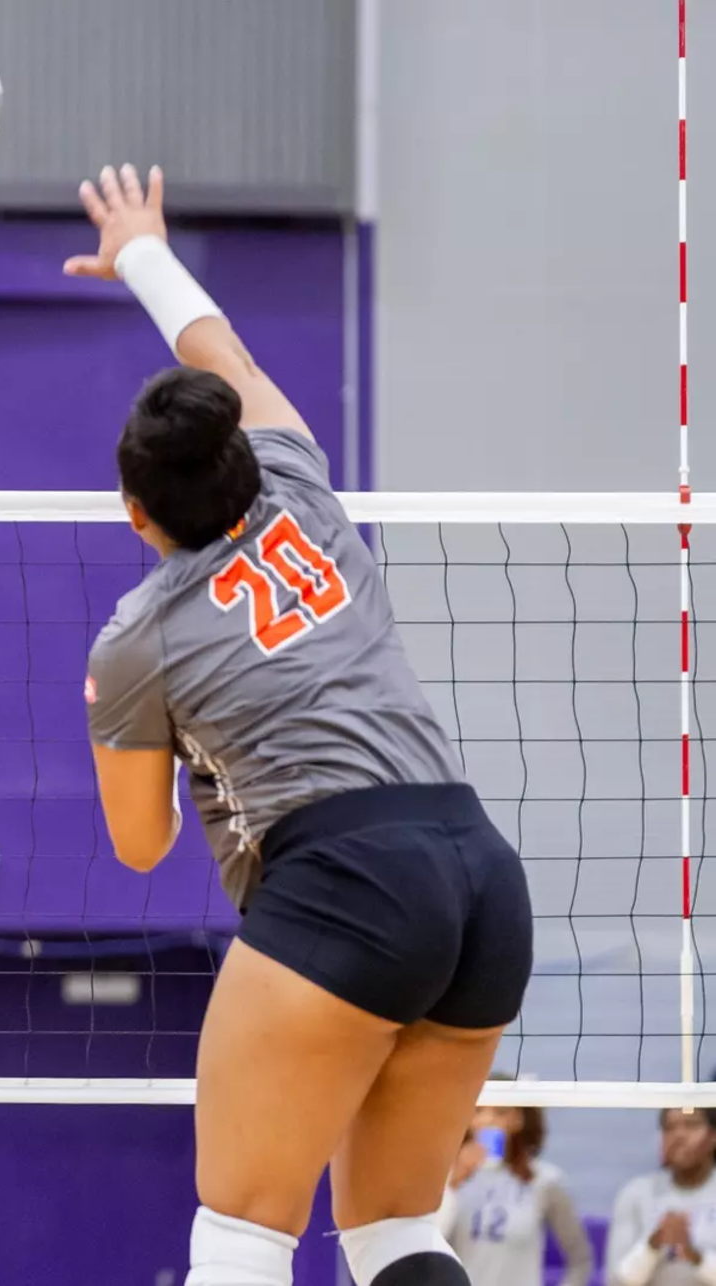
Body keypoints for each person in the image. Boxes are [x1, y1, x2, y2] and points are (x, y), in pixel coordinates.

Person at [71, 164, 533, 1286]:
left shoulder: (137, 639)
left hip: (346, 882)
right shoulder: (296, 480)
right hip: (480, 874)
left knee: (241, 1236)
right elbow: (223, 353)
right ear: (241, 453)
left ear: (135, 515)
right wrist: (142, 250)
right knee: (396, 1231)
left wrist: (151, 728)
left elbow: (140, 846)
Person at [436, 1092, 591, 1286]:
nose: (488, 1120)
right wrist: (453, 1182)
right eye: (479, 1111)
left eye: (501, 1112)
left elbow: (580, 1259)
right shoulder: (444, 1180)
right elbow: (426, 1244)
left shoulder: (544, 1181)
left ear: (519, 1119)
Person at [607, 1108, 716, 1286]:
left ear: (713, 1136)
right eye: (669, 1127)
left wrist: (696, 1257)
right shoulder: (635, 1194)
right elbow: (615, 1281)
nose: (679, 1135)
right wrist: (653, 1245)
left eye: (691, 1125)